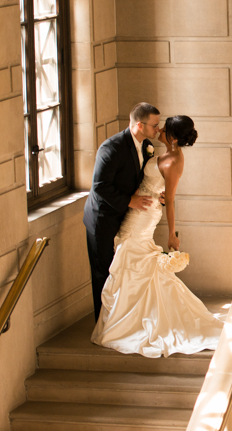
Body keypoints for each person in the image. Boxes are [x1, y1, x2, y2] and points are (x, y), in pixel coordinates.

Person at [91, 116, 222, 357]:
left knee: (131, 252)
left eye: (164, 128)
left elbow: (170, 200)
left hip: (144, 215)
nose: (159, 129)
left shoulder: (174, 160)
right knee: (133, 258)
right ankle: (134, 315)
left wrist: (172, 234)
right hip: (139, 206)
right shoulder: (163, 152)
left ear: (172, 138)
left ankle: (131, 322)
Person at [84, 103, 163, 321]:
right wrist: (130, 201)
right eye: (155, 125)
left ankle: (123, 319)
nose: (158, 129)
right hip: (103, 218)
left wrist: (157, 195)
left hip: (127, 216)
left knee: (123, 269)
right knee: (105, 271)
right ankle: (103, 324)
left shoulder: (146, 145)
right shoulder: (111, 148)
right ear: (139, 124)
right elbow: (100, 186)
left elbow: (143, 180)